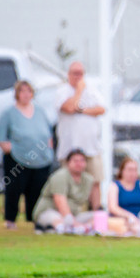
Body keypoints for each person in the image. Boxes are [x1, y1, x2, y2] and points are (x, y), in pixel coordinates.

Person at [0, 80, 54, 229]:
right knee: (14, 189)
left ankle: (33, 219)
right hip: (18, 159)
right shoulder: (9, 113)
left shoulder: (40, 111)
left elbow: (48, 133)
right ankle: (10, 220)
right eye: (22, 91)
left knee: (37, 190)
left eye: (29, 91)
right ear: (17, 94)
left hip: (40, 160)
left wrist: (48, 149)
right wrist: (10, 149)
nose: (26, 94)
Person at [55, 61, 106, 211]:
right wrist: (78, 91)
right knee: (68, 183)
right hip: (69, 148)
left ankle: (96, 212)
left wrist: (82, 110)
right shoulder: (62, 91)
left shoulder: (92, 90)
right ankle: (69, 213)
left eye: (80, 73)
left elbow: (101, 109)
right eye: (75, 73)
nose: (78, 77)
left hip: (91, 147)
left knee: (95, 181)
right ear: (68, 74)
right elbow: (69, 108)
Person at [32, 149, 95, 234]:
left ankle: (83, 229)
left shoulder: (88, 179)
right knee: (59, 220)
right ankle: (60, 228)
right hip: (52, 212)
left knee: (99, 216)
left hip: (74, 215)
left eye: (82, 161)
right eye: (75, 161)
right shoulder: (60, 176)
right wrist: (74, 223)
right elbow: (60, 203)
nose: (79, 164)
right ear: (68, 163)